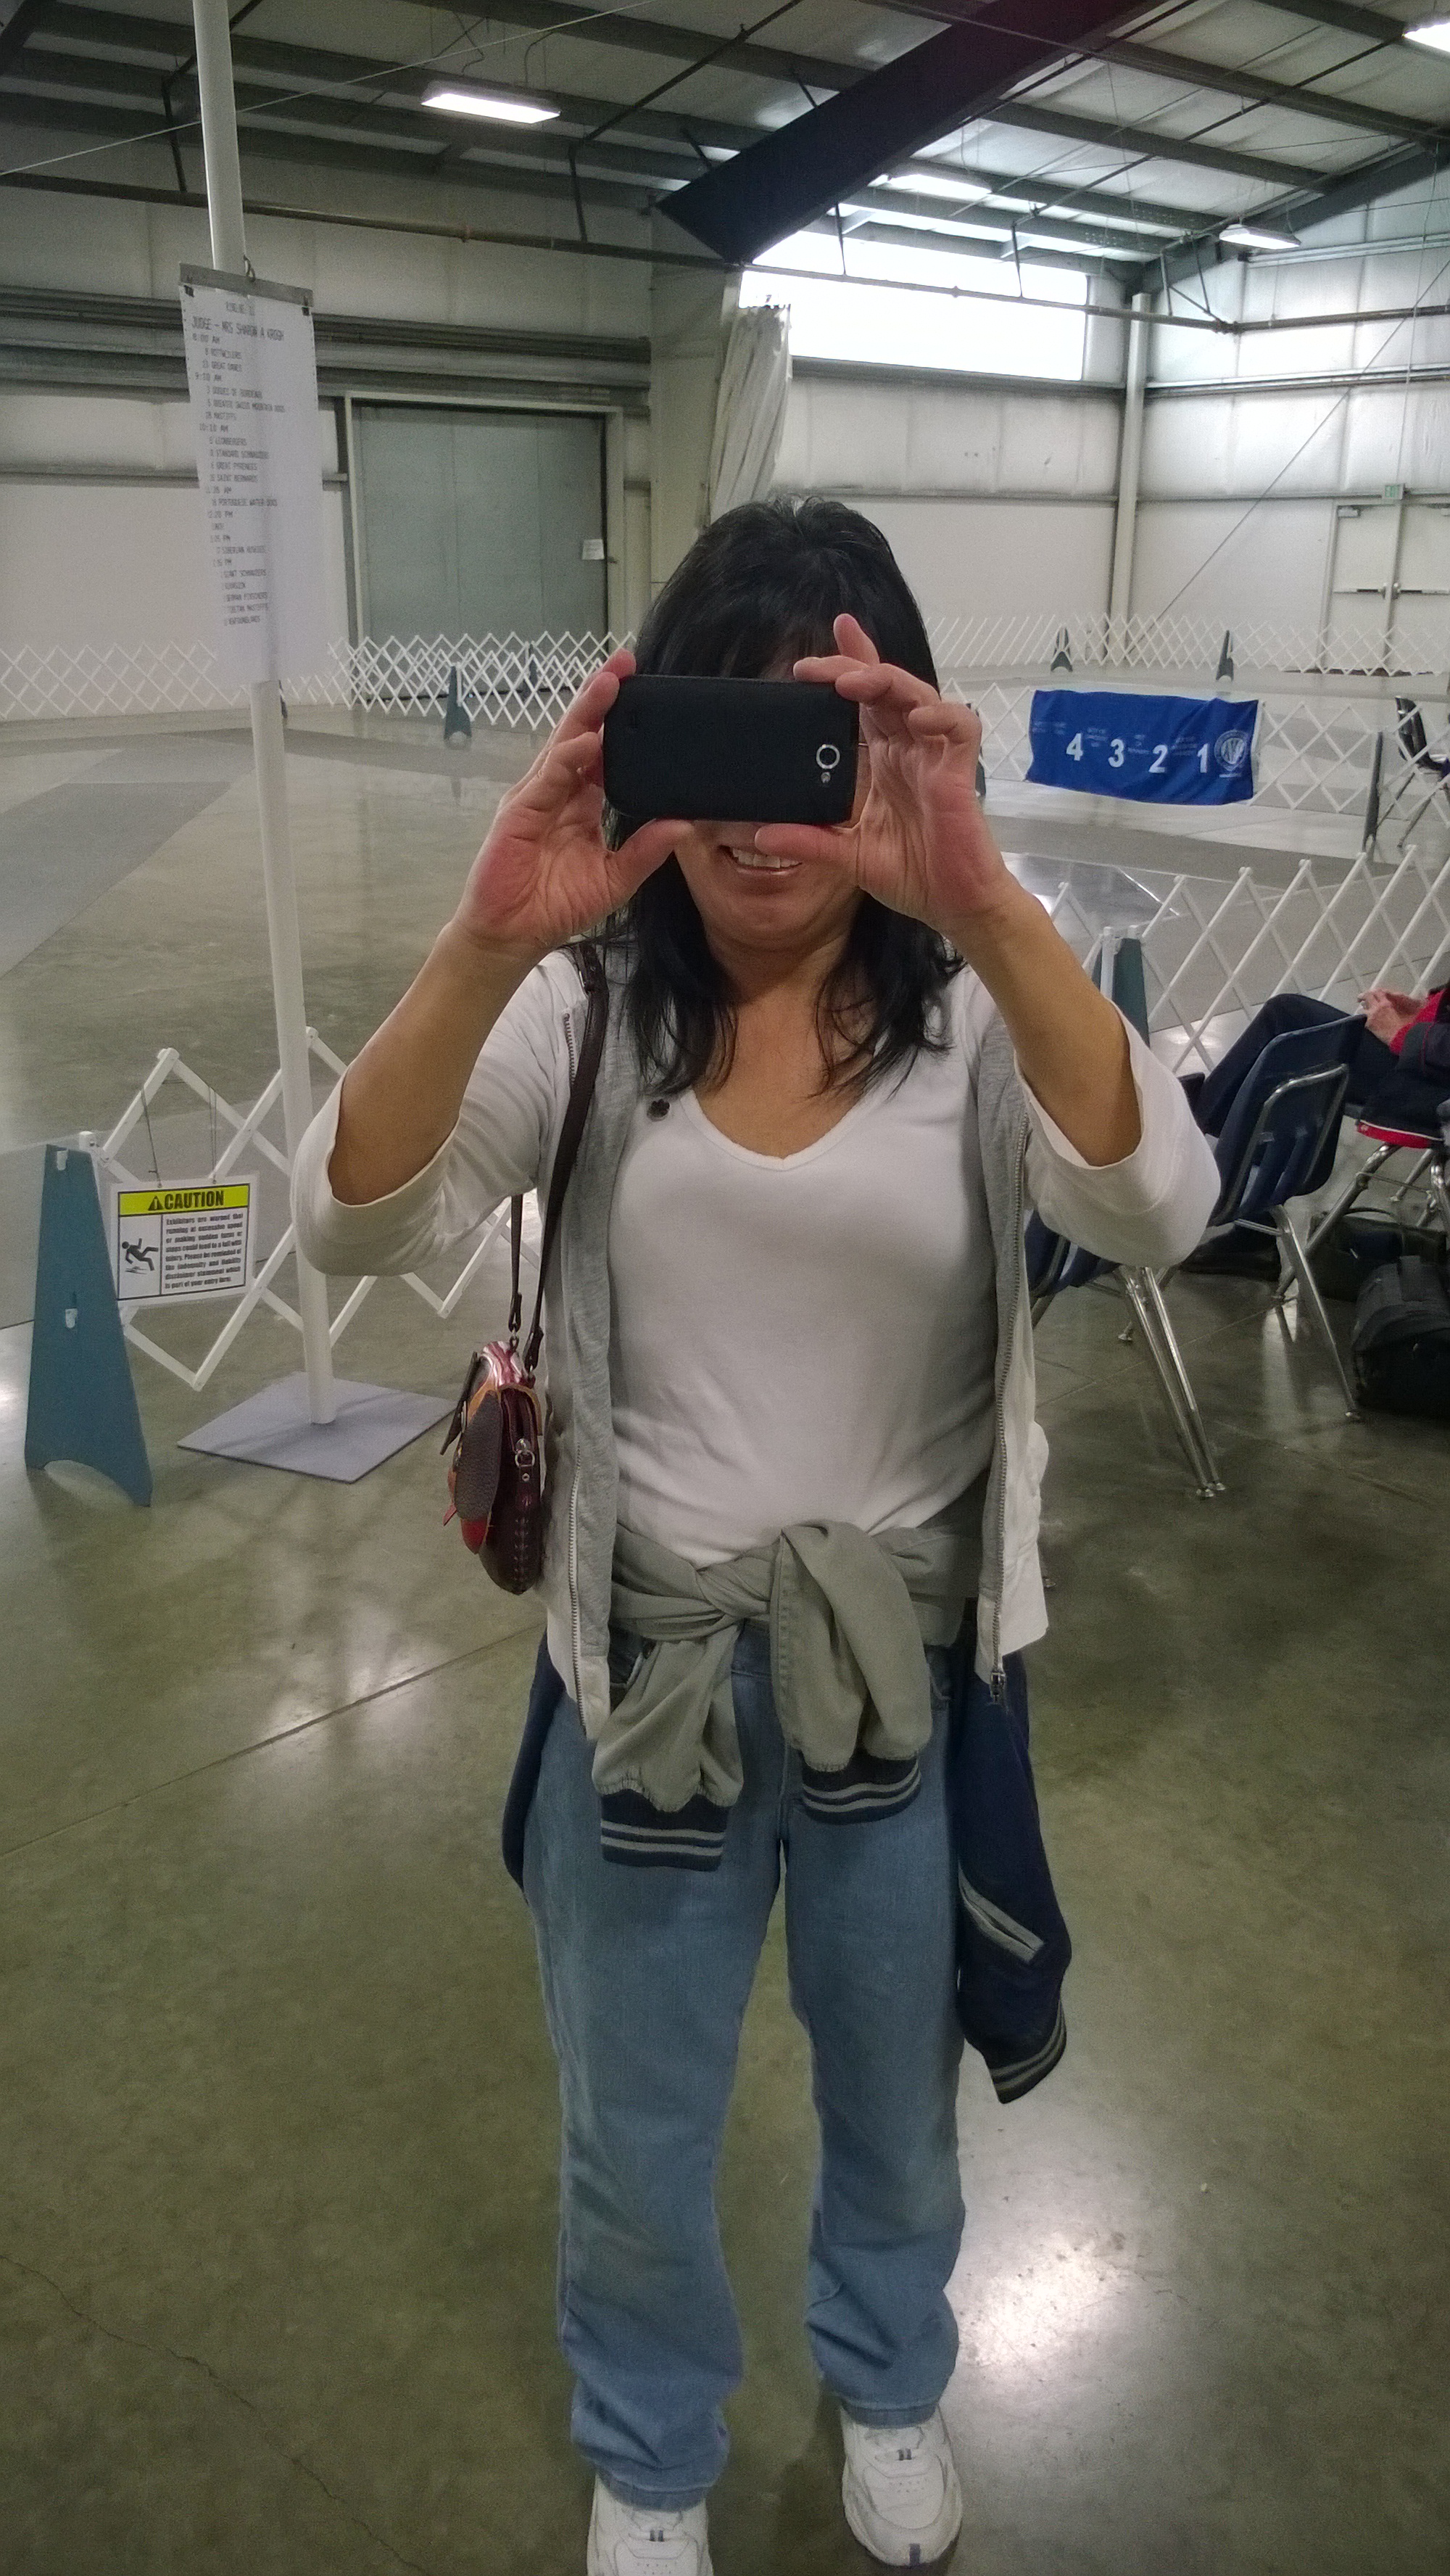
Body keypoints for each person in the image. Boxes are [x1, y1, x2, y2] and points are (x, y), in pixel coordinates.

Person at [294, 499, 1218, 2576]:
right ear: (648, 743)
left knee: (894, 2106)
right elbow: (347, 1227)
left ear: (891, 746)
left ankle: (888, 2387)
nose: (759, 811)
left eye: (818, 740)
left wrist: (983, 905)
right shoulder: (586, 1014)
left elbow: (1162, 1209)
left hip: (904, 1694)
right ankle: (650, 2451)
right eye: (715, 728)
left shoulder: (974, 1024)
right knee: (633, 2133)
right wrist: (487, 938)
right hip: (646, 1692)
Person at [1190, 975, 1450, 1142]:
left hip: (1430, 1082)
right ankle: (1220, 1134)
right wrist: (1428, 1010)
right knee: (1291, 1022)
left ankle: (1193, 1127)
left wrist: (1402, 1034)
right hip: (1431, 1063)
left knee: (1288, 1016)